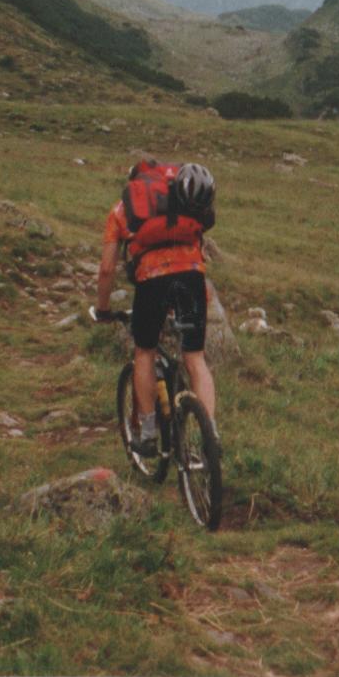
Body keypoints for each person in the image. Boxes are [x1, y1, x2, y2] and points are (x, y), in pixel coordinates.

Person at [94, 161, 216, 456]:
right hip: (191, 277)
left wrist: (103, 308)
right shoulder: (183, 200)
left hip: (152, 280)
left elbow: (107, 270)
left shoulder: (122, 209)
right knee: (195, 358)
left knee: (145, 352)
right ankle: (211, 435)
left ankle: (148, 433)